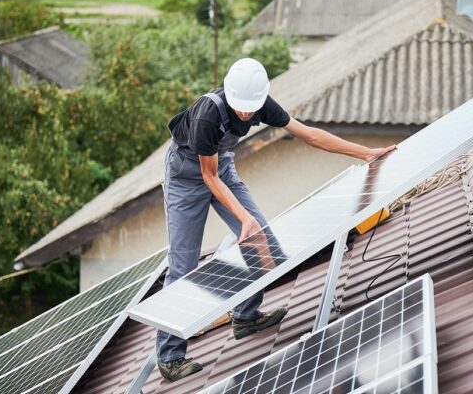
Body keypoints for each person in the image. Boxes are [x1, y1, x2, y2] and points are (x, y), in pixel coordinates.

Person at [157, 58, 396, 381]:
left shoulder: (262, 104)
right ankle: (170, 357)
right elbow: (208, 177)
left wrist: (365, 152)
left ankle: (245, 315)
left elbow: (309, 135)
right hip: (187, 177)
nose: (245, 114)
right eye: (240, 109)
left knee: (262, 239)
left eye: (250, 109)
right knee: (183, 266)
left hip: (221, 167)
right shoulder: (207, 115)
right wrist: (243, 219)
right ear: (229, 95)